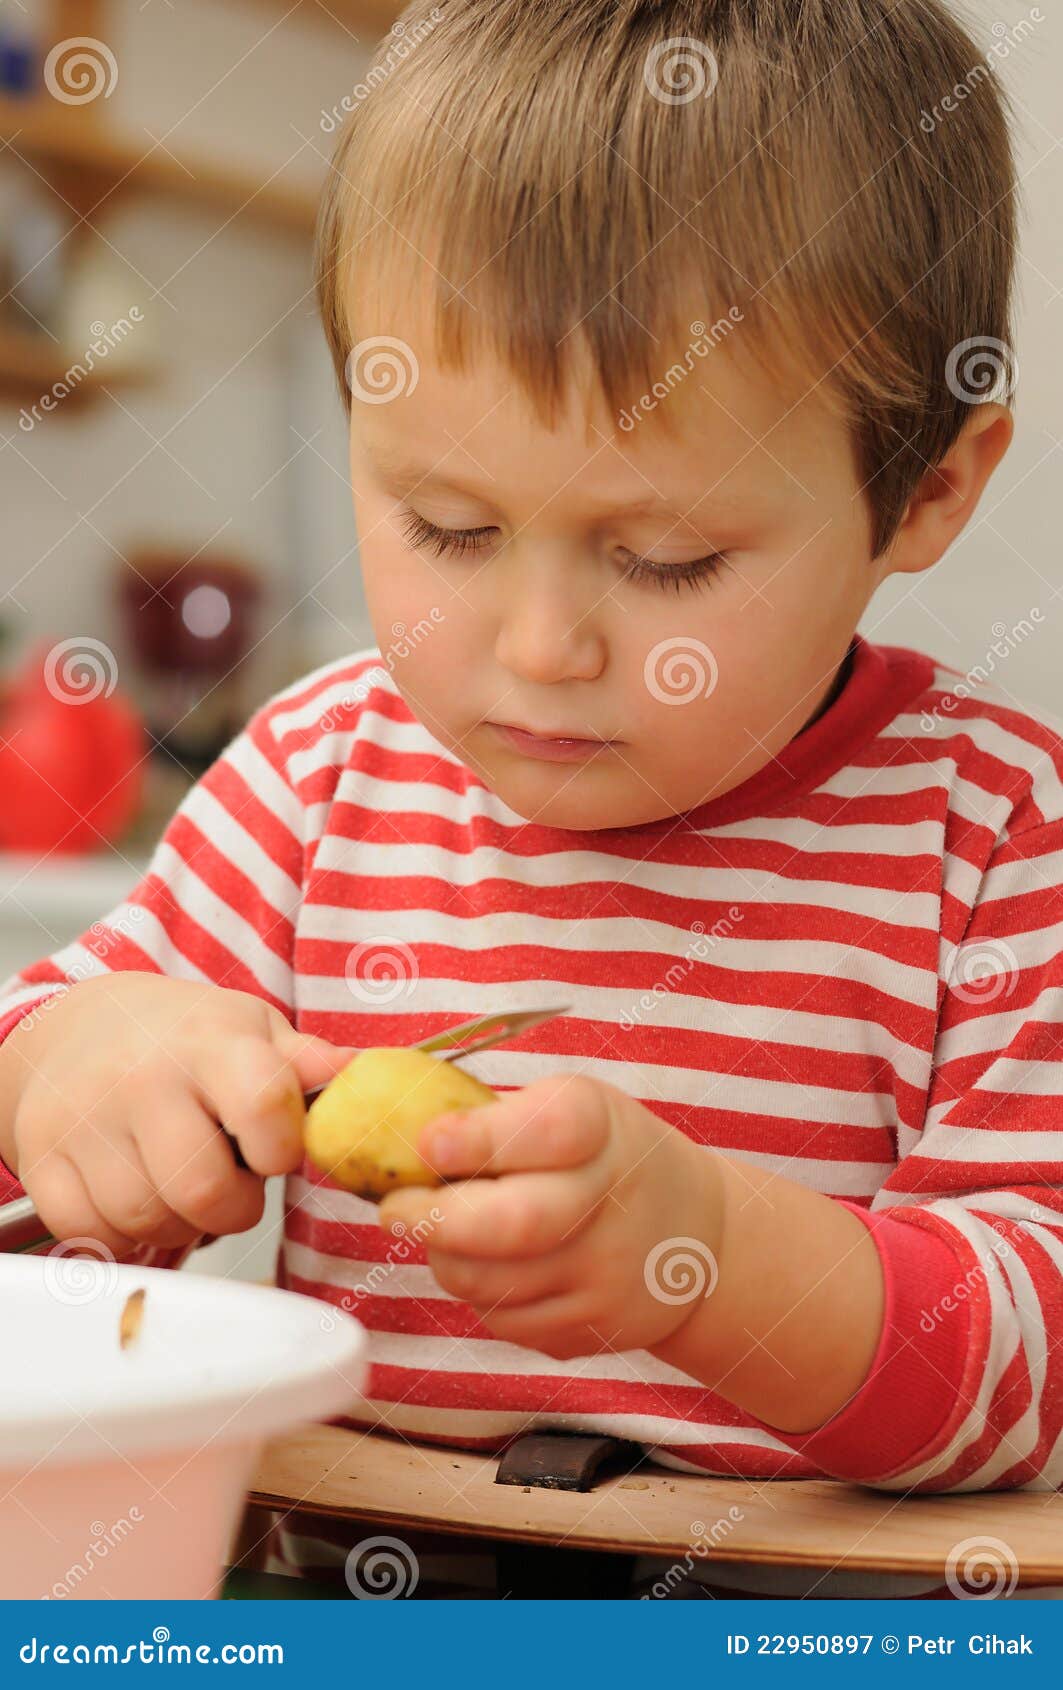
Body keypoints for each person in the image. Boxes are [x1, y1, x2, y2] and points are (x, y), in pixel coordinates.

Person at [2, 0, 1061, 1599]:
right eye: (446, 525)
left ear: (925, 491)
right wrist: (70, 1086)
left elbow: (1034, 1361)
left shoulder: (990, 833)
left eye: (666, 560)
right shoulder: (312, 779)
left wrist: (702, 1256)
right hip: (334, 1597)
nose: (541, 648)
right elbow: (48, 1250)